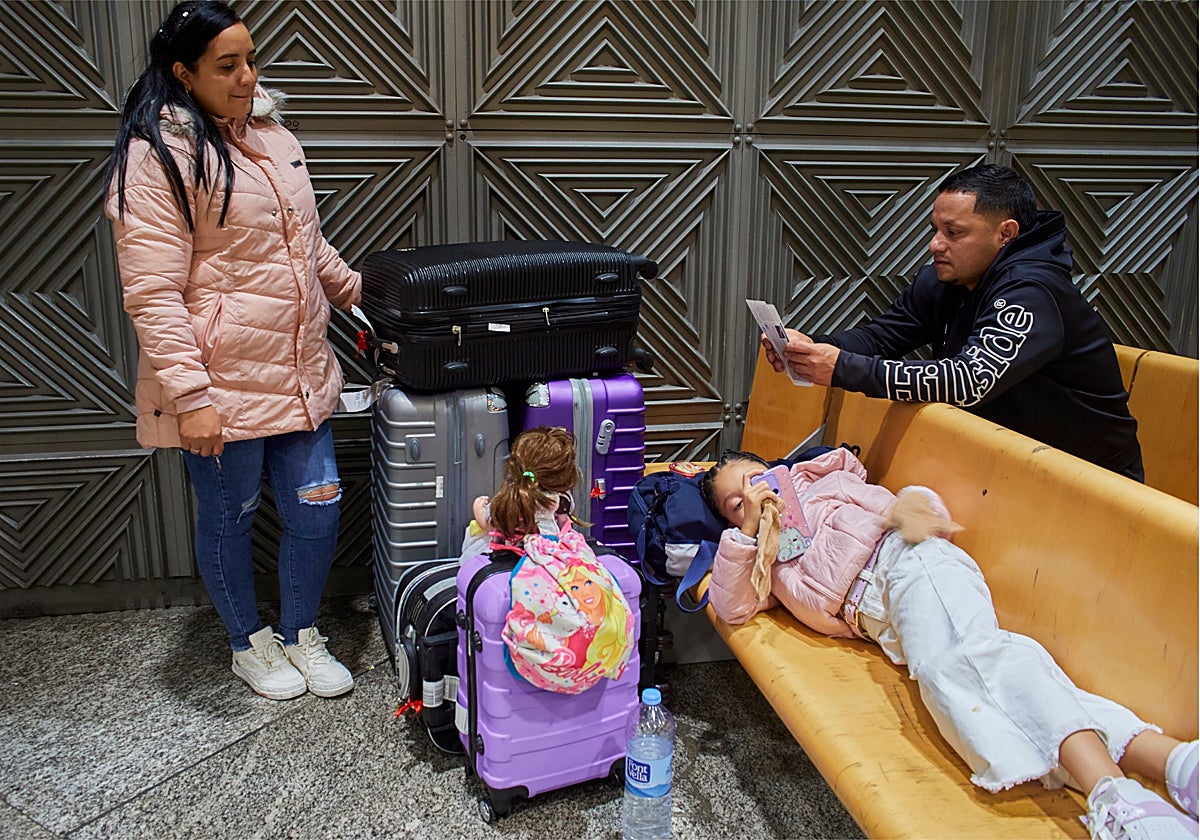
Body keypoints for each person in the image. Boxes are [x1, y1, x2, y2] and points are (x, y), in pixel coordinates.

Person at [699, 447, 1198, 839]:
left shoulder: (821, 484)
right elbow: (733, 606)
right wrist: (746, 536)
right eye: (735, 502)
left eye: (752, 478)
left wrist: (914, 510)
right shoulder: (767, 563)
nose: (752, 496)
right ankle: (1177, 763)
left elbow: (908, 504)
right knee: (983, 675)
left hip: (909, 564)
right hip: (887, 624)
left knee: (963, 667)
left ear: (774, 470)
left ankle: (1112, 796)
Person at [105, 1, 360, 700]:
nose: (247, 77)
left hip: (300, 370)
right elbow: (152, 295)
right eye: (228, 66)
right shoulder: (156, 157)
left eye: (251, 60)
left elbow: (304, 242)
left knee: (318, 506)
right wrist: (191, 399)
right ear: (184, 74)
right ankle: (249, 642)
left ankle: (302, 631)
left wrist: (357, 296)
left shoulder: (272, 134)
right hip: (219, 385)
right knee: (231, 517)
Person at [764, 164, 1143, 481]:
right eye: (935, 229)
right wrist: (810, 348)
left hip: (1089, 478)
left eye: (954, 233)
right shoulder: (947, 279)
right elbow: (883, 336)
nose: (935, 245)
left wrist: (841, 367)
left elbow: (967, 381)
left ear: (1005, 234)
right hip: (1005, 464)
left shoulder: (1033, 291)